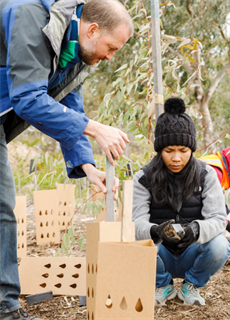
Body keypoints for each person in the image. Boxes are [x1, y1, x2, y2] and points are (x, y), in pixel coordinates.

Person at [0, 1, 133, 318]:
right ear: (92, 29)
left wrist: (87, 166)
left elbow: (68, 103)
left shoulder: (74, 51)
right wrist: (96, 129)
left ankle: (4, 305)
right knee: (4, 209)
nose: (110, 57)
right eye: (111, 47)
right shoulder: (31, 16)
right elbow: (28, 99)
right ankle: (6, 306)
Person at [133, 98, 230, 307]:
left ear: (192, 149)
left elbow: (218, 219)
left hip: (192, 251)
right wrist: (157, 231)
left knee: (220, 245)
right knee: (137, 242)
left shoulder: (207, 175)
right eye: (169, 151)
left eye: (183, 151)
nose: (176, 158)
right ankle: (162, 285)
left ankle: (191, 285)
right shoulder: (143, 178)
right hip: (160, 255)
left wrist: (196, 229)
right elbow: (136, 223)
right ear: (159, 150)